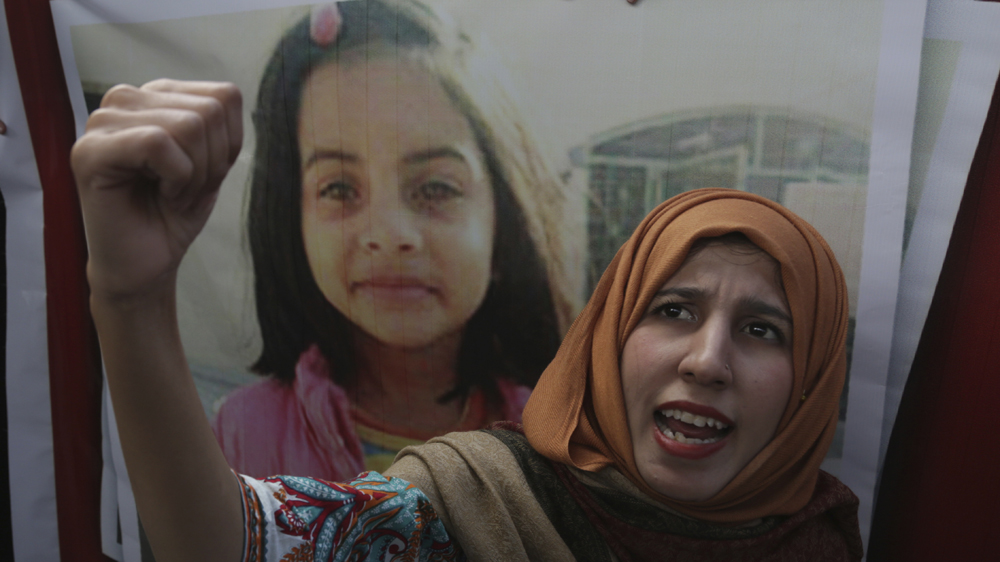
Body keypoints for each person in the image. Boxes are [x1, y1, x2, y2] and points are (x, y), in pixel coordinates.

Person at [71, 63, 862, 553]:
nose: (706, 359)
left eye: (763, 330)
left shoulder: (819, 535)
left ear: (811, 384)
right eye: (674, 312)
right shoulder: (483, 506)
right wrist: (131, 297)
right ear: (609, 337)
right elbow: (234, 542)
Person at [207, 0, 582, 480]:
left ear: (505, 222)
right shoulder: (244, 436)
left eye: (435, 189)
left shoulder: (560, 441)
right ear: (291, 221)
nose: (388, 236)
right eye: (339, 189)